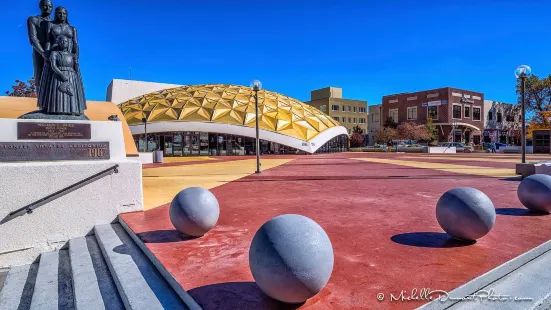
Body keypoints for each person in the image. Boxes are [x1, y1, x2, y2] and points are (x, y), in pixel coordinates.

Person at [37, 6, 86, 115]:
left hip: (68, 55)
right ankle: (46, 106)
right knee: (49, 80)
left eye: (64, 13)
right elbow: (49, 40)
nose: (62, 15)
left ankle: (76, 107)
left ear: (66, 15)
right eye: (59, 13)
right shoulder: (51, 25)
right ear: (56, 14)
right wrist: (47, 52)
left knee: (73, 80)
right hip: (54, 53)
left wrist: (76, 55)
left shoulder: (72, 28)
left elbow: (75, 43)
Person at [27, 0, 53, 96]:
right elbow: (33, 38)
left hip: (53, 53)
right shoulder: (33, 19)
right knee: (39, 76)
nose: (47, 8)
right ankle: (41, 103)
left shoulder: (55, 22)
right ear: (40, 7)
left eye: (49, 6)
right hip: (39, 52)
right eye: (45, 6)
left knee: (54, 78)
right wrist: (43, 53)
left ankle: (54, 103)